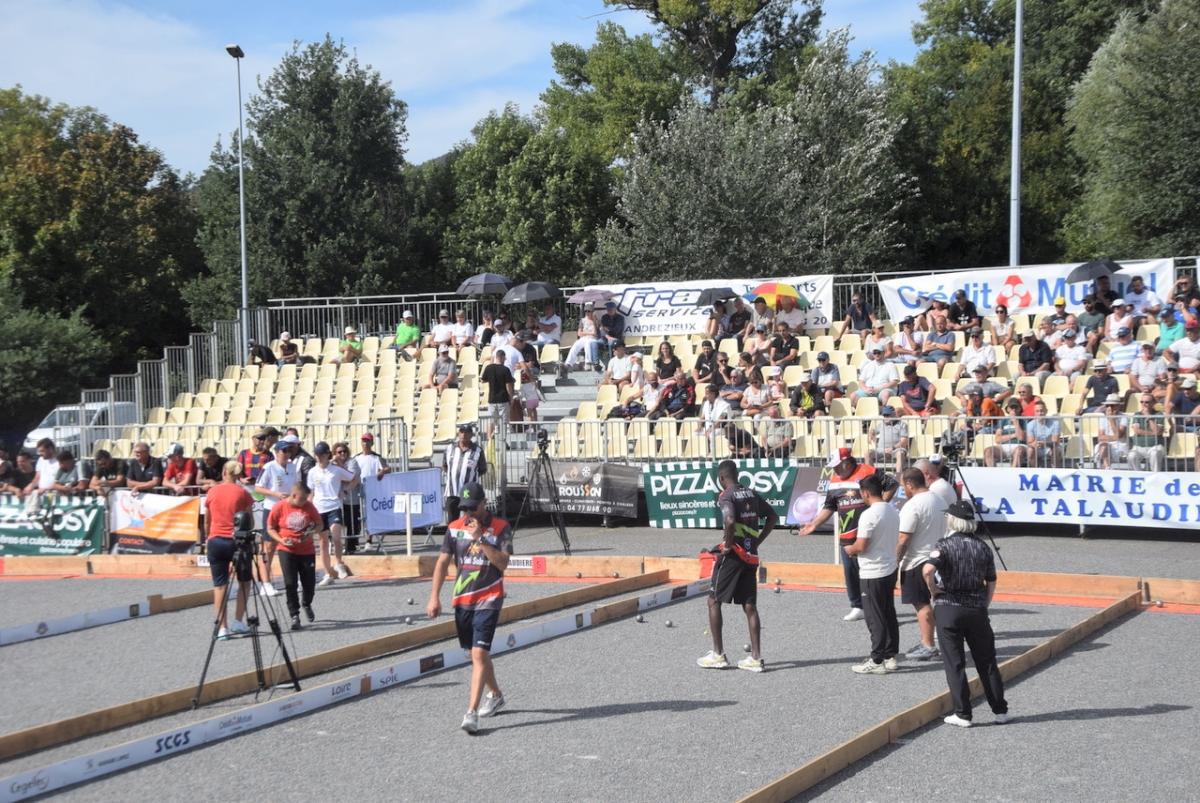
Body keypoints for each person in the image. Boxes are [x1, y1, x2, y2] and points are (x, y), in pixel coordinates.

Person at [426, 482, 512, 733]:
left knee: (478, 655)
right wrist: (434, 597)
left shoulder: (501, 528)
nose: (468, 514)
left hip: (490, 596)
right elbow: (442, 563)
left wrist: (481, 540)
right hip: (463, 599)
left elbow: (503, 564)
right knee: (475, 655)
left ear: (484, 504)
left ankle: (471, 712)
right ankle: (495, 694)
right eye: (465, 509)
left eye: (473, 508)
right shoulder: (454, 529)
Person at [923, 501, 1009, 728]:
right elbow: (991, 580)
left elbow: (927, 569)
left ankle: (963, 713)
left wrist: (933, 590)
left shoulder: (944, 545)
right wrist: (985, 603)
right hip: (976, 608)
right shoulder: (983, 547)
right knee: (987, 660)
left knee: (955, 662)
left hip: (949, 605)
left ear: (952, 520)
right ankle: (1000, 710)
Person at [798, 448, 898, 621]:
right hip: (846, 533)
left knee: (872, 571)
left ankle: (879, 607)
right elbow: (829, 506)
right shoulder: (835, 479)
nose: (834, 470)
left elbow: (892, 484)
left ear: (847, 462)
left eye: (837, 466)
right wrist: (814, 524)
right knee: (850, 572)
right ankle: (857, 605)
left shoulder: (868, 471)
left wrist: (879, 506)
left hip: (868, 530)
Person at [697, 460, 779, 673]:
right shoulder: (751, 493)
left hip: (733, 556)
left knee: (713, 600)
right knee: (750, 606)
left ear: (721, 478)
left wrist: (728, 545)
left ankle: (718, 655)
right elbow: (772, 517)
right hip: (751, 556)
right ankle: (756, 658)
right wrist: (757, 542)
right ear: (737, 474)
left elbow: (730, 520)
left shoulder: (726, 496)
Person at [845, 474, 901, 674]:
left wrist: (849, 550)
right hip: (889, 567)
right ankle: (890, 655)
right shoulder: (892, 510)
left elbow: (862, 545)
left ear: (865, 493)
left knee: (874, 616)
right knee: (888, 612)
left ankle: (877, 660)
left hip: (872, 571)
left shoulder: (868, 514)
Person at [895, 467, 948, 662]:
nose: (903, 490)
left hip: (917, 560)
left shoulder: (913, 505)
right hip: (938, 557)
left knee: (921, 604)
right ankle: (930, 641)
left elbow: (903, 537)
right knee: (935, 601)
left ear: (909, 484)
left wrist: (896, 561)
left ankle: (928, 645)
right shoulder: (938, 499)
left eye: (903, 486)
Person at [204, 461, 254, 640]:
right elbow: (249, 521)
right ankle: (238, 621)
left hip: (216, 540)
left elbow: (207, 520)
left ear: (224, 472)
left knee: (219, 585)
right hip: (237, 541)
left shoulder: (213, 491)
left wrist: (207, 538)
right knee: (244, 582)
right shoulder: (243, 493)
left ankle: (222, 627)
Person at [267, 483, 323, 630]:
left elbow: (319, 524)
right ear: (293, 495)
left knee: (309, 584)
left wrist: (310, 532)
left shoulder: (309, 507)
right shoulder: (279, 507)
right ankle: (294, 615)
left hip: (306, 550)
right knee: (290, 583)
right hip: (286, 549)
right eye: (302, 499)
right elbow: (270, 528)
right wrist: (281, 540)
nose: (304, 502)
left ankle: (306, 603)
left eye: (306, 499)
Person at [307, 442, 354, 587]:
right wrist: (308, 509)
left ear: (328, 454)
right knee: (323, 542)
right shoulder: (312, 472)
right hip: (318, 508)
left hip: (334, 506)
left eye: (322, 454)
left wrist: (345, 490)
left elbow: (353, 477)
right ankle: (328, 573)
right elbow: (311, 492)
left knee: (336, 536)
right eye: (318, 454)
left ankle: (339, 562)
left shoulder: (336, 470)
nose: (320, 457)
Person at [255, 440, 298, 596]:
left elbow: (296, 484)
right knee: (269, 546)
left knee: (291, 543)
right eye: (284, 451)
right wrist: (276, 494)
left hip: (288, 509)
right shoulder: (269, 467)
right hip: (272, 508)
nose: (287, 454)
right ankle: (265, 583)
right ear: (277, 452)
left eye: (288, 451)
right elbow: (258, 487)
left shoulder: (292, 466)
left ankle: (292, 578)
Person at [353, 433, 389, 548]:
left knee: (369, 516)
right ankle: (355, 540)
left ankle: (369, 540)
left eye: (368, 441)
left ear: (372, 443)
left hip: (372, 490)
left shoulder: (376, 457)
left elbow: (387, 468)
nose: (365, 443)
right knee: (357, 515)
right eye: (364, 441)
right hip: (357, 489)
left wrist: (382, 472)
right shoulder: (356, 458)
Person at [444, 425, 487, 521]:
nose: (464, 434)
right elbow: (445, 466)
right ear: (458, 434)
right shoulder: (450, 448)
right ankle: (453, 536)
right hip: (452, 492)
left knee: (470, 520)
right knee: (452, 522)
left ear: (471, 435)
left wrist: (468, 477)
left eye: (467, 432)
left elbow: (482, 469)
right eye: (462, 432)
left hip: (469, 493)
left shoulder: (477, 451)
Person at [333, 442, 362, 553]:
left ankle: (351, 547)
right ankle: (337, 546)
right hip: (337, 499)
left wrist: (339, 466)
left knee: (352, 523)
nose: (342, 453)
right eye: (339, 452)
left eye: (344, 451)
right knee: (336, 523)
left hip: (351, 498)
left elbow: (350, 477)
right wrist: (332, 462)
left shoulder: (352, 462)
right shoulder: (333, 463)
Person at [480, 350, 515, 438]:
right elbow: (508, 386)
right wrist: (511, 397)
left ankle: (489, 440)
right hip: (503, 399)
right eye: (504, 357)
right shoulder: (505, 369)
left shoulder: (489, 368)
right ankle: (502, 440)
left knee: (491, 420)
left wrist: (492, 379)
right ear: (502, 357)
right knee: (503, 421)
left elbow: (483, 380)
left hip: (492, 399)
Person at [1127, 394, 1166, 471]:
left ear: (1153, 403)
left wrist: (1149, 418)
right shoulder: (1137, 414)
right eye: (1142, 402)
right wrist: (1153, 433)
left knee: (1155, 454)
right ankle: (1139, 476)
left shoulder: (1159, 414)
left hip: (1155, 446)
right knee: (1131, 456)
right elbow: (1137, 431)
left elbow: (1157, 431)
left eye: (1146, 402)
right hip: (1138, 446)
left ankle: (1155, 476)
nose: (1143, 404)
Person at [985, 399, 1030, 467]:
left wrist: (1015, 421)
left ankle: (1012, 474)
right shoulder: (1003, 421)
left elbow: (1021, 437)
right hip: (1004, 447)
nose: (1013, 410)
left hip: (1019, 445)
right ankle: (993, 474)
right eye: (1011, 408)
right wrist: (1014, 435)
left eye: (1016, 407)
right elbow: (997, 439)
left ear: (1020, 408)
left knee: (1019, 451)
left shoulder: (1025, 420)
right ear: (1008, 409)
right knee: (988, 451)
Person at [868, 407, 909, 473]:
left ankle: (898, 475)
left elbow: (904, 441)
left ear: (894, 414)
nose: (886, 417)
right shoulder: (881, 424)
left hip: (896, 449)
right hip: (881, 449)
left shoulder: (902, 424)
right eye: (884, 415)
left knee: (900, 453)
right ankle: (872, 475)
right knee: (867, 453)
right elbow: (873, 430)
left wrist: (892, 448)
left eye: (888, 415)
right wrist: (870, 433)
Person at [1093, 394, 1128, 469]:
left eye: (1112, 405)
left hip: (1119, 446)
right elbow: (1100, 437)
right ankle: (1107, 467)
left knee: (1103, 447)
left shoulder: (1123, 417)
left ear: (1118, 406)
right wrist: (1115, 437)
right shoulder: (1102, 417)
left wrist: (1111, 419)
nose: (1110, 408)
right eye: (1107, 405)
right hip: (1106, 445)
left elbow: (1119, 435)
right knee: (1104, 446)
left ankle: (1105, 467)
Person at [1025, 399, 1062, 467]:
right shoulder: (1030, 424)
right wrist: (1035, 444)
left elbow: (1055, 441)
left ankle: (1056, 471)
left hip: (1051, 447)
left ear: (1046, 411)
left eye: (1041, 411)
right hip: (1037, 448)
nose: (1039, 413)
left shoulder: (1055, 423)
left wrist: (1043, 443)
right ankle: (1035, 471)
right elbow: (1030, 441)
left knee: (1056, 449)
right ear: (1034, 413)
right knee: (1030, 450)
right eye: (1037, 411)